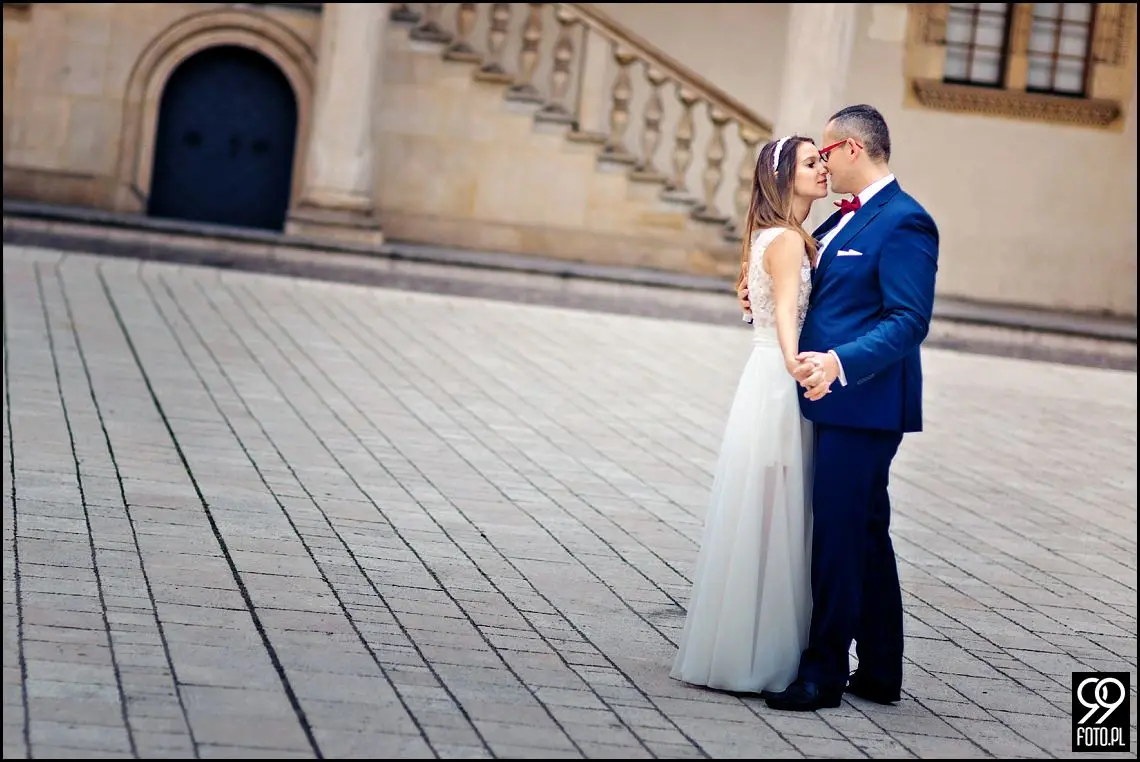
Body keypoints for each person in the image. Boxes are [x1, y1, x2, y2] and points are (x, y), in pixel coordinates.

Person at [740, 105, 940, 712]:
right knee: (864, 533)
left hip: (865, 403)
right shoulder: (828, 227)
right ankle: (880, 670)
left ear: (851, 149)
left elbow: (909, 321)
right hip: (830, 402)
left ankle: (823, 671)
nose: (821, 164)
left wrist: (840, 362)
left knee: (834, 533)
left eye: (825, 152)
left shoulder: (906, 222)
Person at [670, 135, 831, 695]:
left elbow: (762, 300)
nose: (823, 169)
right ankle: (760, 653)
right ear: (785, 176)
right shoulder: (786, 240)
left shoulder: (778, 235)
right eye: (812, 163)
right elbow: (785, 307)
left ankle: (744, 642)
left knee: (764, 510)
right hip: (774, 380)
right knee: (774, 510)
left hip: (762, 373)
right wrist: (794, 362)